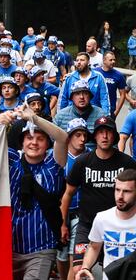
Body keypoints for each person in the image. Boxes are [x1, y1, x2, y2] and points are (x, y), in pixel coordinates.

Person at [0, 104, 68, 280]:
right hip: (9, 247)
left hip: (42, 247)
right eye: (29, 138)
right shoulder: (11, 160)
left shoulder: (53, 164)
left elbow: (63, 138)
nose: (34, 142)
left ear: (47, 143)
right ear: (22, 142)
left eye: (40, 139)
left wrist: (33, 118)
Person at [61, 116, 136, 276]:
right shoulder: (82, 162)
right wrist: (63, 224)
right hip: (87, 224)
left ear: (114, 136)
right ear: (94, 136)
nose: (104, 136)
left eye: (108, 132)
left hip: (116, 226)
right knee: (78, 269)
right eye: (100, 132)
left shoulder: (127, 163)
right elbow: (67, 194)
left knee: (113, 270)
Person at [75, 169, 136, 280]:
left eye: (127, 191)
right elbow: (94, 247)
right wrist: (85, 268)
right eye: (117, 190)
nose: (120, 196)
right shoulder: (102, 218)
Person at [57, 118, 90, 280]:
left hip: (80, 214)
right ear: (69, 137)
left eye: (84, 135)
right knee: (61, 256)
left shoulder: (90, 157)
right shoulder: (57, 157)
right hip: (60, 212)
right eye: (78, 135)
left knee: (75, 257)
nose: (83, 139)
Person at [97, 51, 127, 119]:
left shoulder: (119, 75)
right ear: (104, 60)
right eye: (111, 60)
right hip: (95, 108)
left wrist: (116, 111)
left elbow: (123, 94)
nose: (113, 61)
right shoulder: (95, 72)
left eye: (114, 60)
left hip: (110, 110)